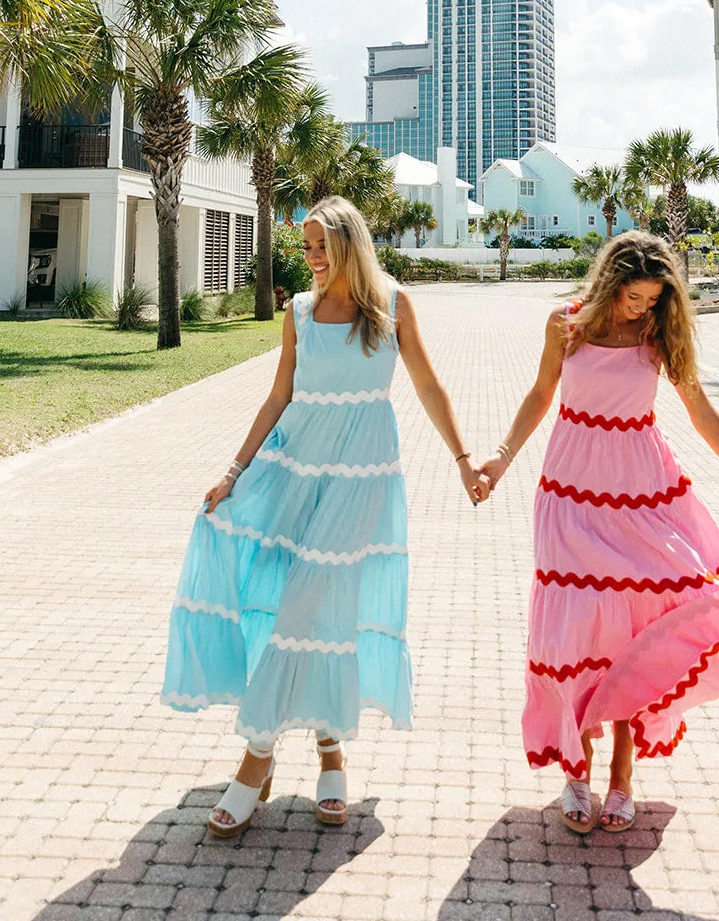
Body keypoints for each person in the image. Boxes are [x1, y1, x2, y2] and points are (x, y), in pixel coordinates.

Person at [162, 195, 488, 837]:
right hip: (294, 472)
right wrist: (233, 472)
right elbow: (280, 393)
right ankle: (330, 749)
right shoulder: (300, 312)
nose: (309, 257)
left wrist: (463, 458)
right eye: (305, 246)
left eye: (320, 246)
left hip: (361, 477)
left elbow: (426, 384)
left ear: (348, 246)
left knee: (310, 606)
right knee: (310, 610)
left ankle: (257, 758)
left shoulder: (392, 305)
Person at [479, 231, 719, 835]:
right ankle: (575, 770)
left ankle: (622, 779)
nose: (642, 309)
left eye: (653, 300)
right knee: (575, 632)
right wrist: (499, 459)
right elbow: (540, 394)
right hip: (571, 493)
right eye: (634, 297)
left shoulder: (659, 337)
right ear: (610, 283)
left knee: (640, 628)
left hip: (643, 491)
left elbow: (700, 409)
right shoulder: (566, 326)